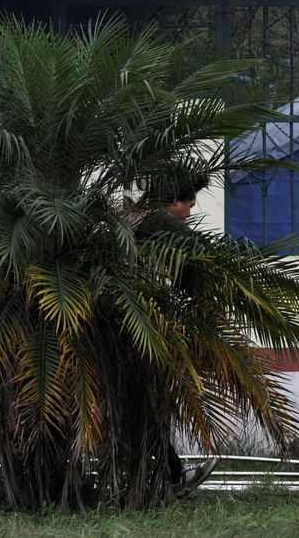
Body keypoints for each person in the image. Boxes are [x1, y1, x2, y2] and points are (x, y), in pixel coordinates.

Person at [134, 177, 220, 498]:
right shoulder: (164, 227)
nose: (192, 209)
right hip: (144, 332)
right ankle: (171, 476)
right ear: (173, 202)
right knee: (148, 407)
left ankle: (166, 474)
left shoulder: (135, 222)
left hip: (136, 328)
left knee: (146, 409)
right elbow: (197, 268)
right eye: (189, 202)